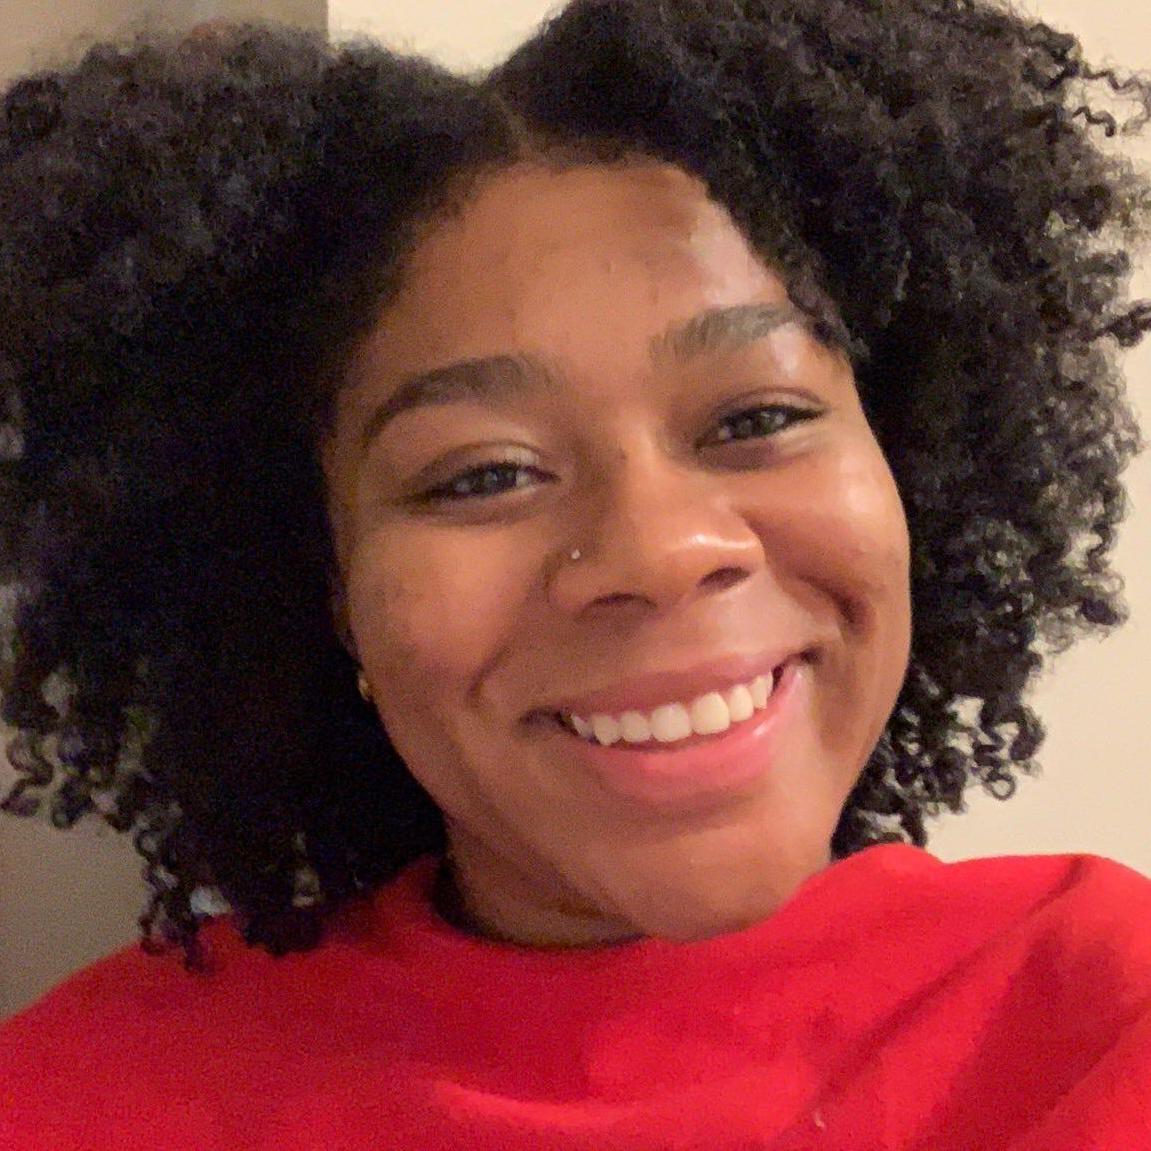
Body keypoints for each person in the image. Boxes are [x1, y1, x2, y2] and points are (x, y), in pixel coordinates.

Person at [1, 0, 1149, 1145]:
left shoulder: (1102, 1012)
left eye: (756, 416)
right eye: (483, 475)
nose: (659, 551)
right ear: (329, 585)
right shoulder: (79, 1102)